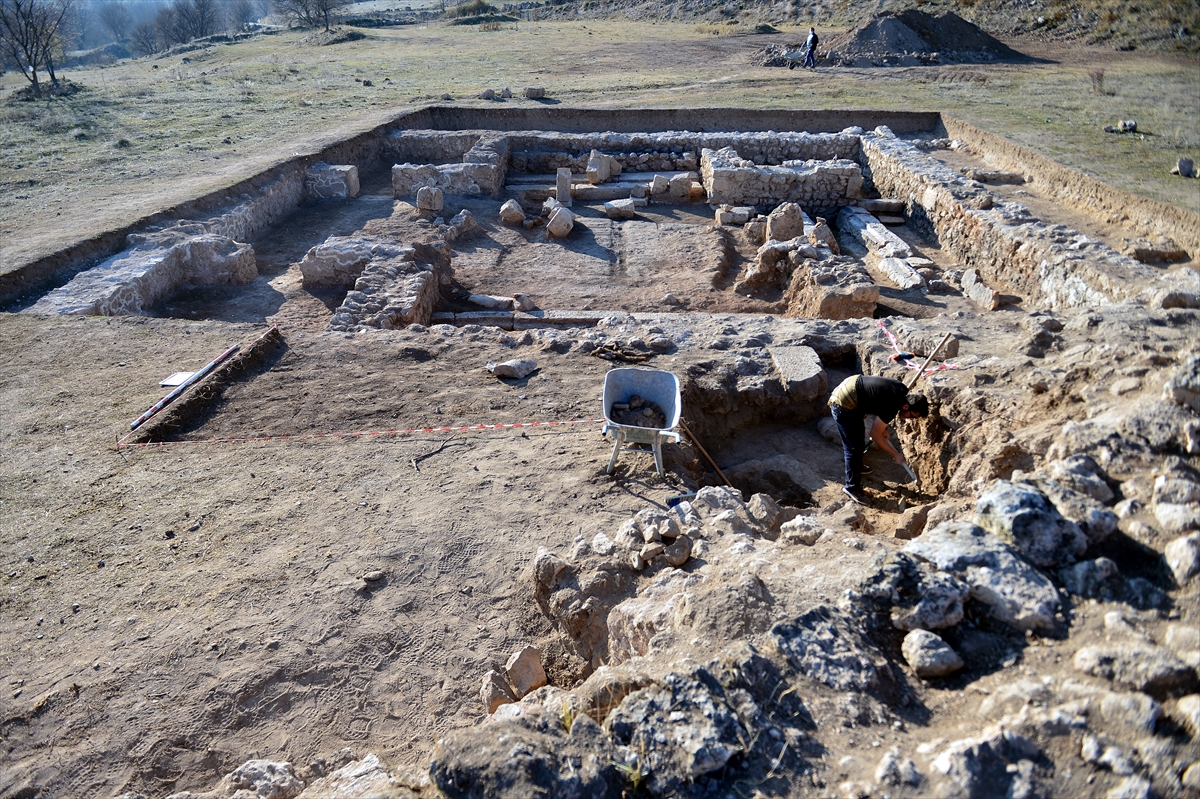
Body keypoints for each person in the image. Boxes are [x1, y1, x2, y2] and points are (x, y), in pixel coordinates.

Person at [828, 374, 929, 505]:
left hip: (853, 387)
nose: (911, 419)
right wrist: (895, 455)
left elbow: (879, 402)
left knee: (858, 441)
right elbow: (875, 434)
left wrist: (883, 429)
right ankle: (851, 487)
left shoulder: (901, 391)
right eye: (912, 416)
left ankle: (856, 466)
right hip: (844, 401)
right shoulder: (892, 406)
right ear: (906, 407)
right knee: (854, 447)